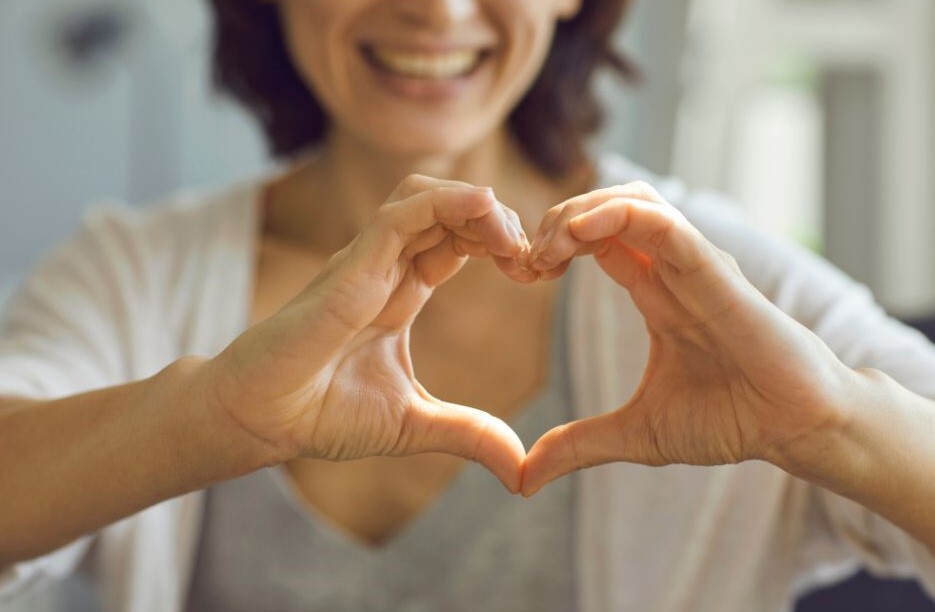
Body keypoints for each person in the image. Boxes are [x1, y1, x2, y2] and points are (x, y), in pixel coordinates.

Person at [1, 0, 934, 610]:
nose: (436, 9)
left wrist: (829, 421)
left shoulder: (719, 275)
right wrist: (205, 419)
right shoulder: (135, 273)